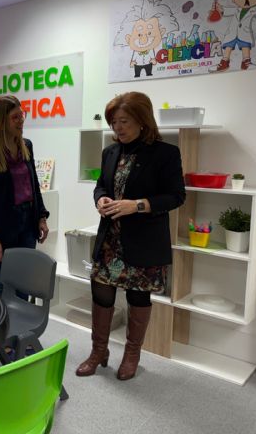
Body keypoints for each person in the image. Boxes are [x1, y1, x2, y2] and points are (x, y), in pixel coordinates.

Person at [76, 91, 185, 381]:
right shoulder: (110, 152)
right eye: (114, 122)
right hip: (110, 240)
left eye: (124, 121)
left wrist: (136, 205)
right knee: (101, 293)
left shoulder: (165, 153)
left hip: (143, 242)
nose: (118, 127)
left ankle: (132, 354)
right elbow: (101, 185)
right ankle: (99, 351)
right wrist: (100, 199)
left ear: (142, 119)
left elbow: (176, 196)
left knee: (138, 297)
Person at [0, 95, 49, 297]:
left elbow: (34, 185)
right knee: (0, 282)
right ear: (1, 122)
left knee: (24, 281)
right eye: (15, 117)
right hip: (3, 228)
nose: (21, 121)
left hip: (28, 224)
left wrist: (41, 216)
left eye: (22, 115)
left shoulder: (27, 146)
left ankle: (21, 319)